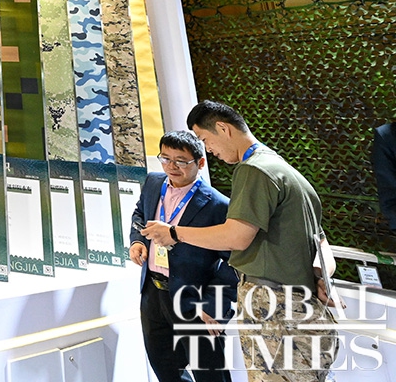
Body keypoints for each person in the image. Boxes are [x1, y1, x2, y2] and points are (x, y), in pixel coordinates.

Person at [142, 101, 338, 381]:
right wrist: (321, 277)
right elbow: (321, 242)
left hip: (274, 308)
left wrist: (174, 233)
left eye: (205, 139)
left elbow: (237, 237)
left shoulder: (253, 169)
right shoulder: (283, 169)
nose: (209, 149)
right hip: (302, 307)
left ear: (223, 128)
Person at [130, 130, 237, 382]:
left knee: (210, 375)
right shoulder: (153, 183)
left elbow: (235, 261)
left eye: (181, 161)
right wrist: (138, 240)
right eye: (165, 158)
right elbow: (139, 213)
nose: (171, 166)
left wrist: (214, 304)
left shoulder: (218, 204)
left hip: (195, 299)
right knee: (166, 372)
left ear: (200, 163)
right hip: (153, 294)